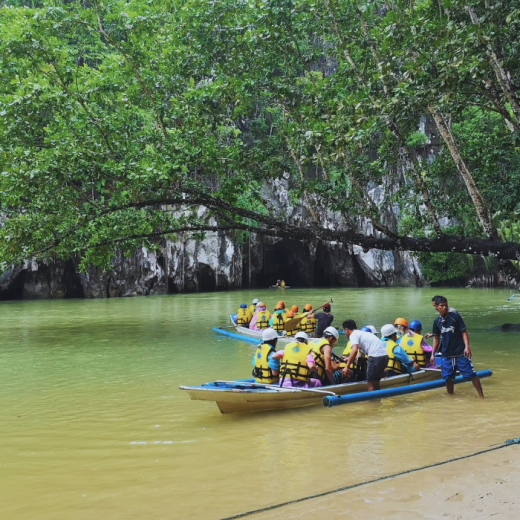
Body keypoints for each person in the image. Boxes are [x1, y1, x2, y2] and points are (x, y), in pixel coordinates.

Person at [431, 296, 484, 398]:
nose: (445, 307)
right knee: (448, 378)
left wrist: (467, 347)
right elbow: (436, 338)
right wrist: (433, 354)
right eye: (442, 306)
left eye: (446, 305)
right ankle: (451, 397)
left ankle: (482, 396)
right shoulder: (437, 322)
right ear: (436, 307)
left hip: (460, 352)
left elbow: (463, 332)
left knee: (472, 374)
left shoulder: (455, 317)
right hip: (446, 354)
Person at [342, 320, 389, 391]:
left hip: (375, 357)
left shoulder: (353, 335)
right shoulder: (361, 334)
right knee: (376, 382)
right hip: (384, 357)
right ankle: (377, 400)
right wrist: (349, 359)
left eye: (344, 331)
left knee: (370, 383)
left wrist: (347, 367)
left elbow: (354, 350)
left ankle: (371, 401)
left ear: (347, 330)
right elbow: (360, 354)